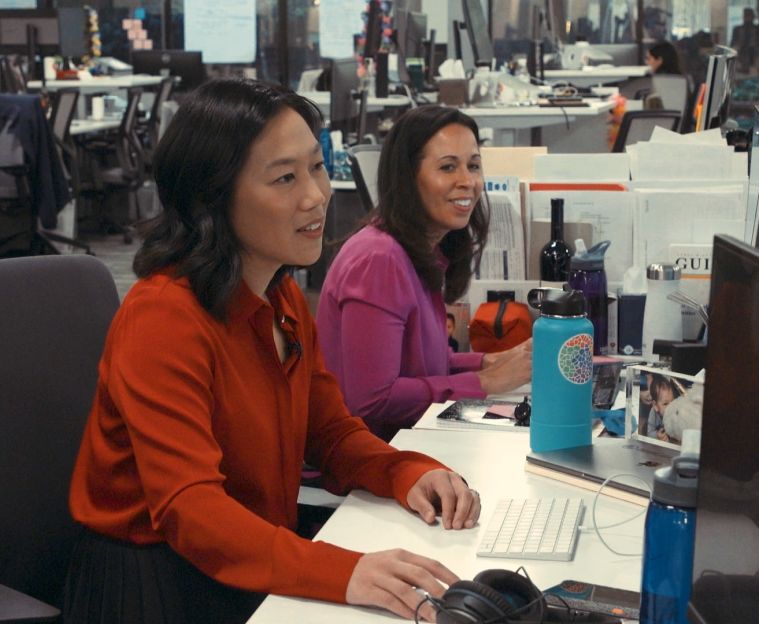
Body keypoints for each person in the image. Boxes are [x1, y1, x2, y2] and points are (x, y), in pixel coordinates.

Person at [65, 79, 482, 624]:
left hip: (250, 554)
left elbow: (330, 433)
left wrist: (406, 473)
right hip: (156, 584)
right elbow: (193, 512)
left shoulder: (278, 291)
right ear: (212, 197)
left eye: (315, 167)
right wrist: (345, 572)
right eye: (285, 178)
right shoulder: (163, 316)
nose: (316, 195)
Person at [317, 105, 531, 442]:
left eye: (473, 166)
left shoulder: (420, 248)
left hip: (404, 447)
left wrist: (490, 361)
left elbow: (424, 364)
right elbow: (374, 399)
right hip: (358, 469)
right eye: (448, 167)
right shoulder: (379, 259)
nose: (468, 181)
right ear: (408, 178)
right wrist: (487, 383)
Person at [730, 8, 759, 74]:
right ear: (743, 17)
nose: (747, 18)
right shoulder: (737, 29)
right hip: (741, 53)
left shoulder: (758, 29)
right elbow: (732, 44)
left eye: (749, 16)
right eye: (746, 16)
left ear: (753, 17)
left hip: (754, 53)